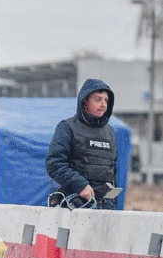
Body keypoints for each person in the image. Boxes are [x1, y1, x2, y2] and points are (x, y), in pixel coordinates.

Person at [46, 79, 118, 210]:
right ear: (85, 102)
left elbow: (112, 171)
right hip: (76, 205)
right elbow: (54, 163)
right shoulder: (67, 127)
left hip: (106, 206)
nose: (103, 105)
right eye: (98, 99)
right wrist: (80, 185)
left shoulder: (110, 132)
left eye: (106, 100)